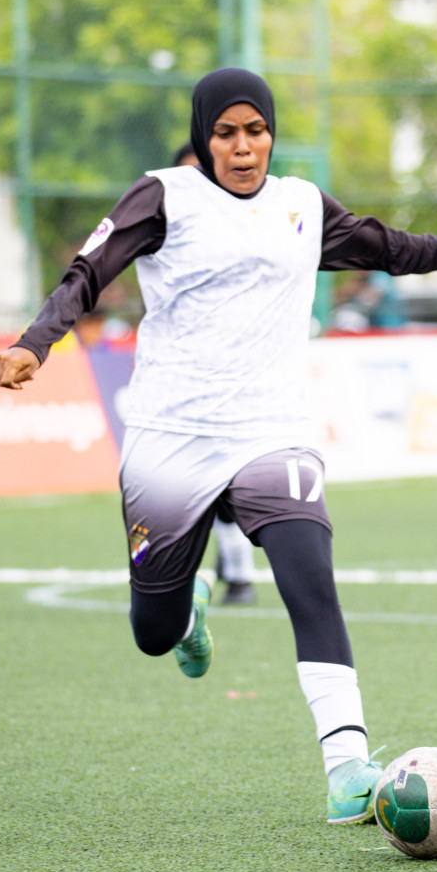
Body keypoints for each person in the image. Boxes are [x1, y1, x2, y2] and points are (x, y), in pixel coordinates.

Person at [0, 68, 437, 824]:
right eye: (226, 133)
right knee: (153, 633)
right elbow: (89, 273)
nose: (243, 147)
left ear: (271, 134)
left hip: (271, 429)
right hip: (168, 439)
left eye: (256, 130)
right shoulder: (164, 197)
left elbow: (389, 247)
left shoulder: (300, 206)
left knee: (310, 578)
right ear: (204, 138)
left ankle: (348, 768)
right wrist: (35, 343)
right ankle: (187, 616)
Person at [170, 140, 260, 603]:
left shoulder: (251, 227)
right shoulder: (161, 227)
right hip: (178, 377)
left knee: (231, 479)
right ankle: (180, 582)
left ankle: (239, 573)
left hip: (237, 375)